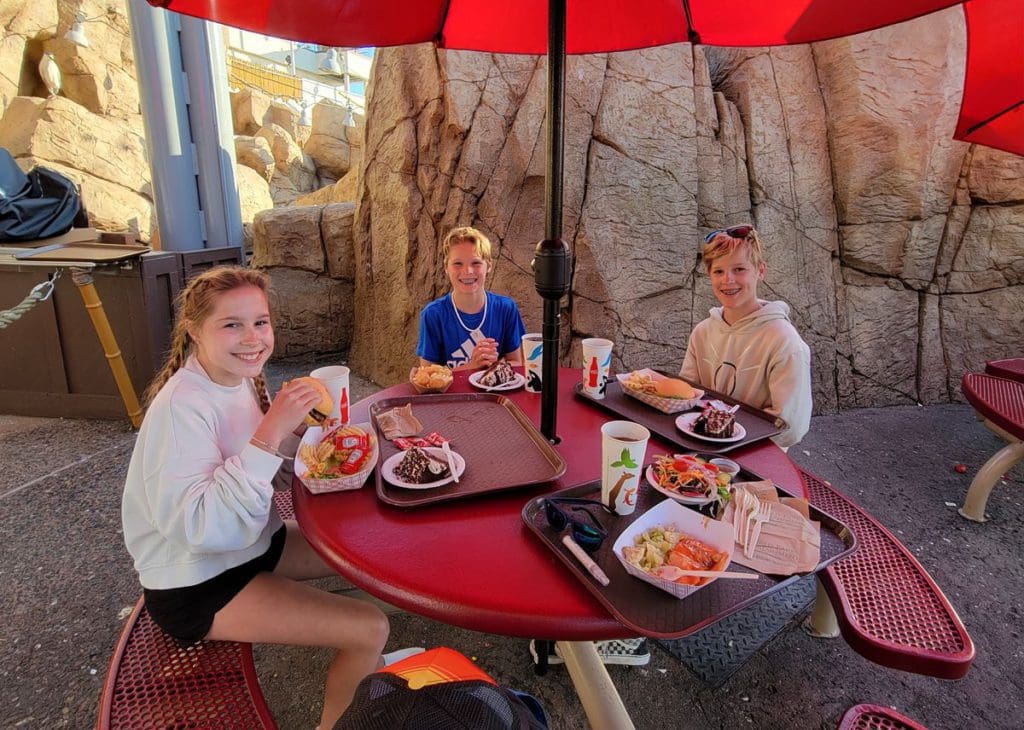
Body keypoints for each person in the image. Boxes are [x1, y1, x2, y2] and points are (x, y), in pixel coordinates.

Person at [121, 266, 419, 729]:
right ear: (195, 330)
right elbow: (201, 528)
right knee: (368, 627)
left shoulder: (235, 379)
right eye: (231, 324)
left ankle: (367, 671)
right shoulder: (181, 409)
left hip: (251, 544)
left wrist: (301, 436)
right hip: (197, 584)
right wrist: (271, 431)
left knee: (369, 543)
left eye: (260, 322)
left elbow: (263, 477)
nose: (252, 337)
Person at [680, 224, 812, 449]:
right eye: (718, 271)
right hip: (699, 446)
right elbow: (687, 397)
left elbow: (791, 427)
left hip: (756, 457)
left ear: (760, 271)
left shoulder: (784, 342)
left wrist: (726, 439)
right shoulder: (702, 332)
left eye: (739, 269)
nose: (728, 280)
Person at [417, 226, 526, 370]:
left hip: (495, 391)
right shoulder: (433, 314)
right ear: (446, 268)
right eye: (457, 264)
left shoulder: (506, 308)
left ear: (488, 265)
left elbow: (517, 362)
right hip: (453, 393)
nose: (467, 271)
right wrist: (472, 366)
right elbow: (428, 375)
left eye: (476, 263)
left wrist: (493, 366)